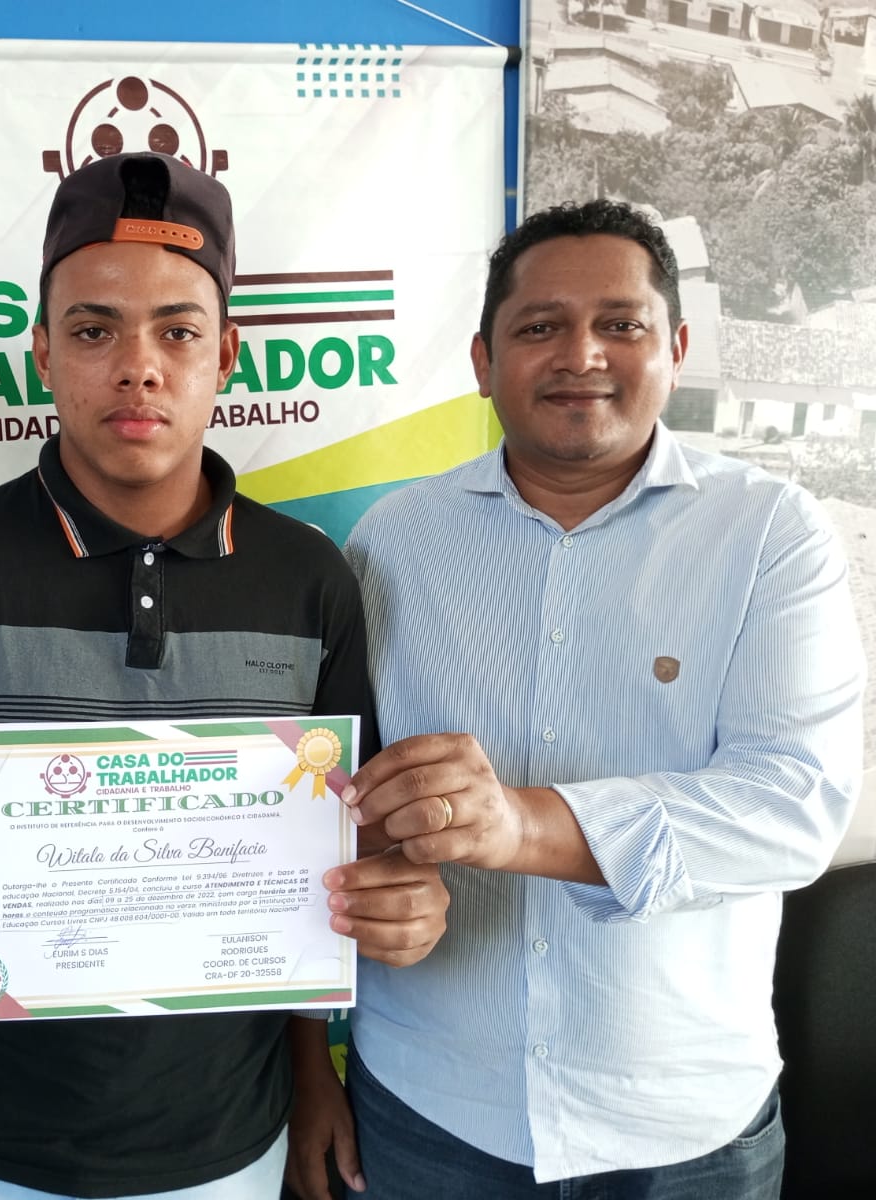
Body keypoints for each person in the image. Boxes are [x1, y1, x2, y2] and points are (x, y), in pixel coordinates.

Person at [0, 151, 450, 1200]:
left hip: (224, 1148)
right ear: (43, 353)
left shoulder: (309, 581)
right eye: (94, 331)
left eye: (177, 332)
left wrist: (321, 1057)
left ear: (226, 354)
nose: (137, 368)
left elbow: (315, 866)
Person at [339, 199, 865, 1198]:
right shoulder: (392, 540)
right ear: (483, 362)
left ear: (675, 348)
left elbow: (793, 805)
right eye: (539, 326)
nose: (581, 354)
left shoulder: (771, 534)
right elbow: (334, 791)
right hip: (428, 1103)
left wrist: (521, 826)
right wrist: (373, 863)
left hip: (682, 1124)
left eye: (620, 323)